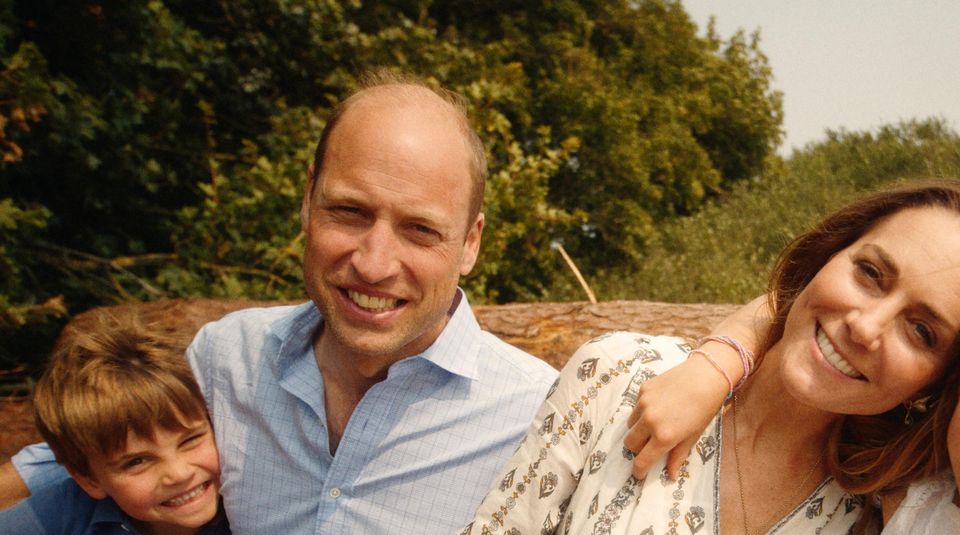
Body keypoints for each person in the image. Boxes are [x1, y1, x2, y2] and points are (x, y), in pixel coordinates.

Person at [463, 179, 960, 534]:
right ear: (828, 254)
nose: (864, 326)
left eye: (921, 331)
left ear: (938, 383)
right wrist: (719, 358)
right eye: (870, 273)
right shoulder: (621, 374)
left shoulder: (878, 514)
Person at [0, 314, 228, 535]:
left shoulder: (250, 505)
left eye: (190, 440)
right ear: (89, 480)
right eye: (137, 461)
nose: (179, 474)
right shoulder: (64, 513)